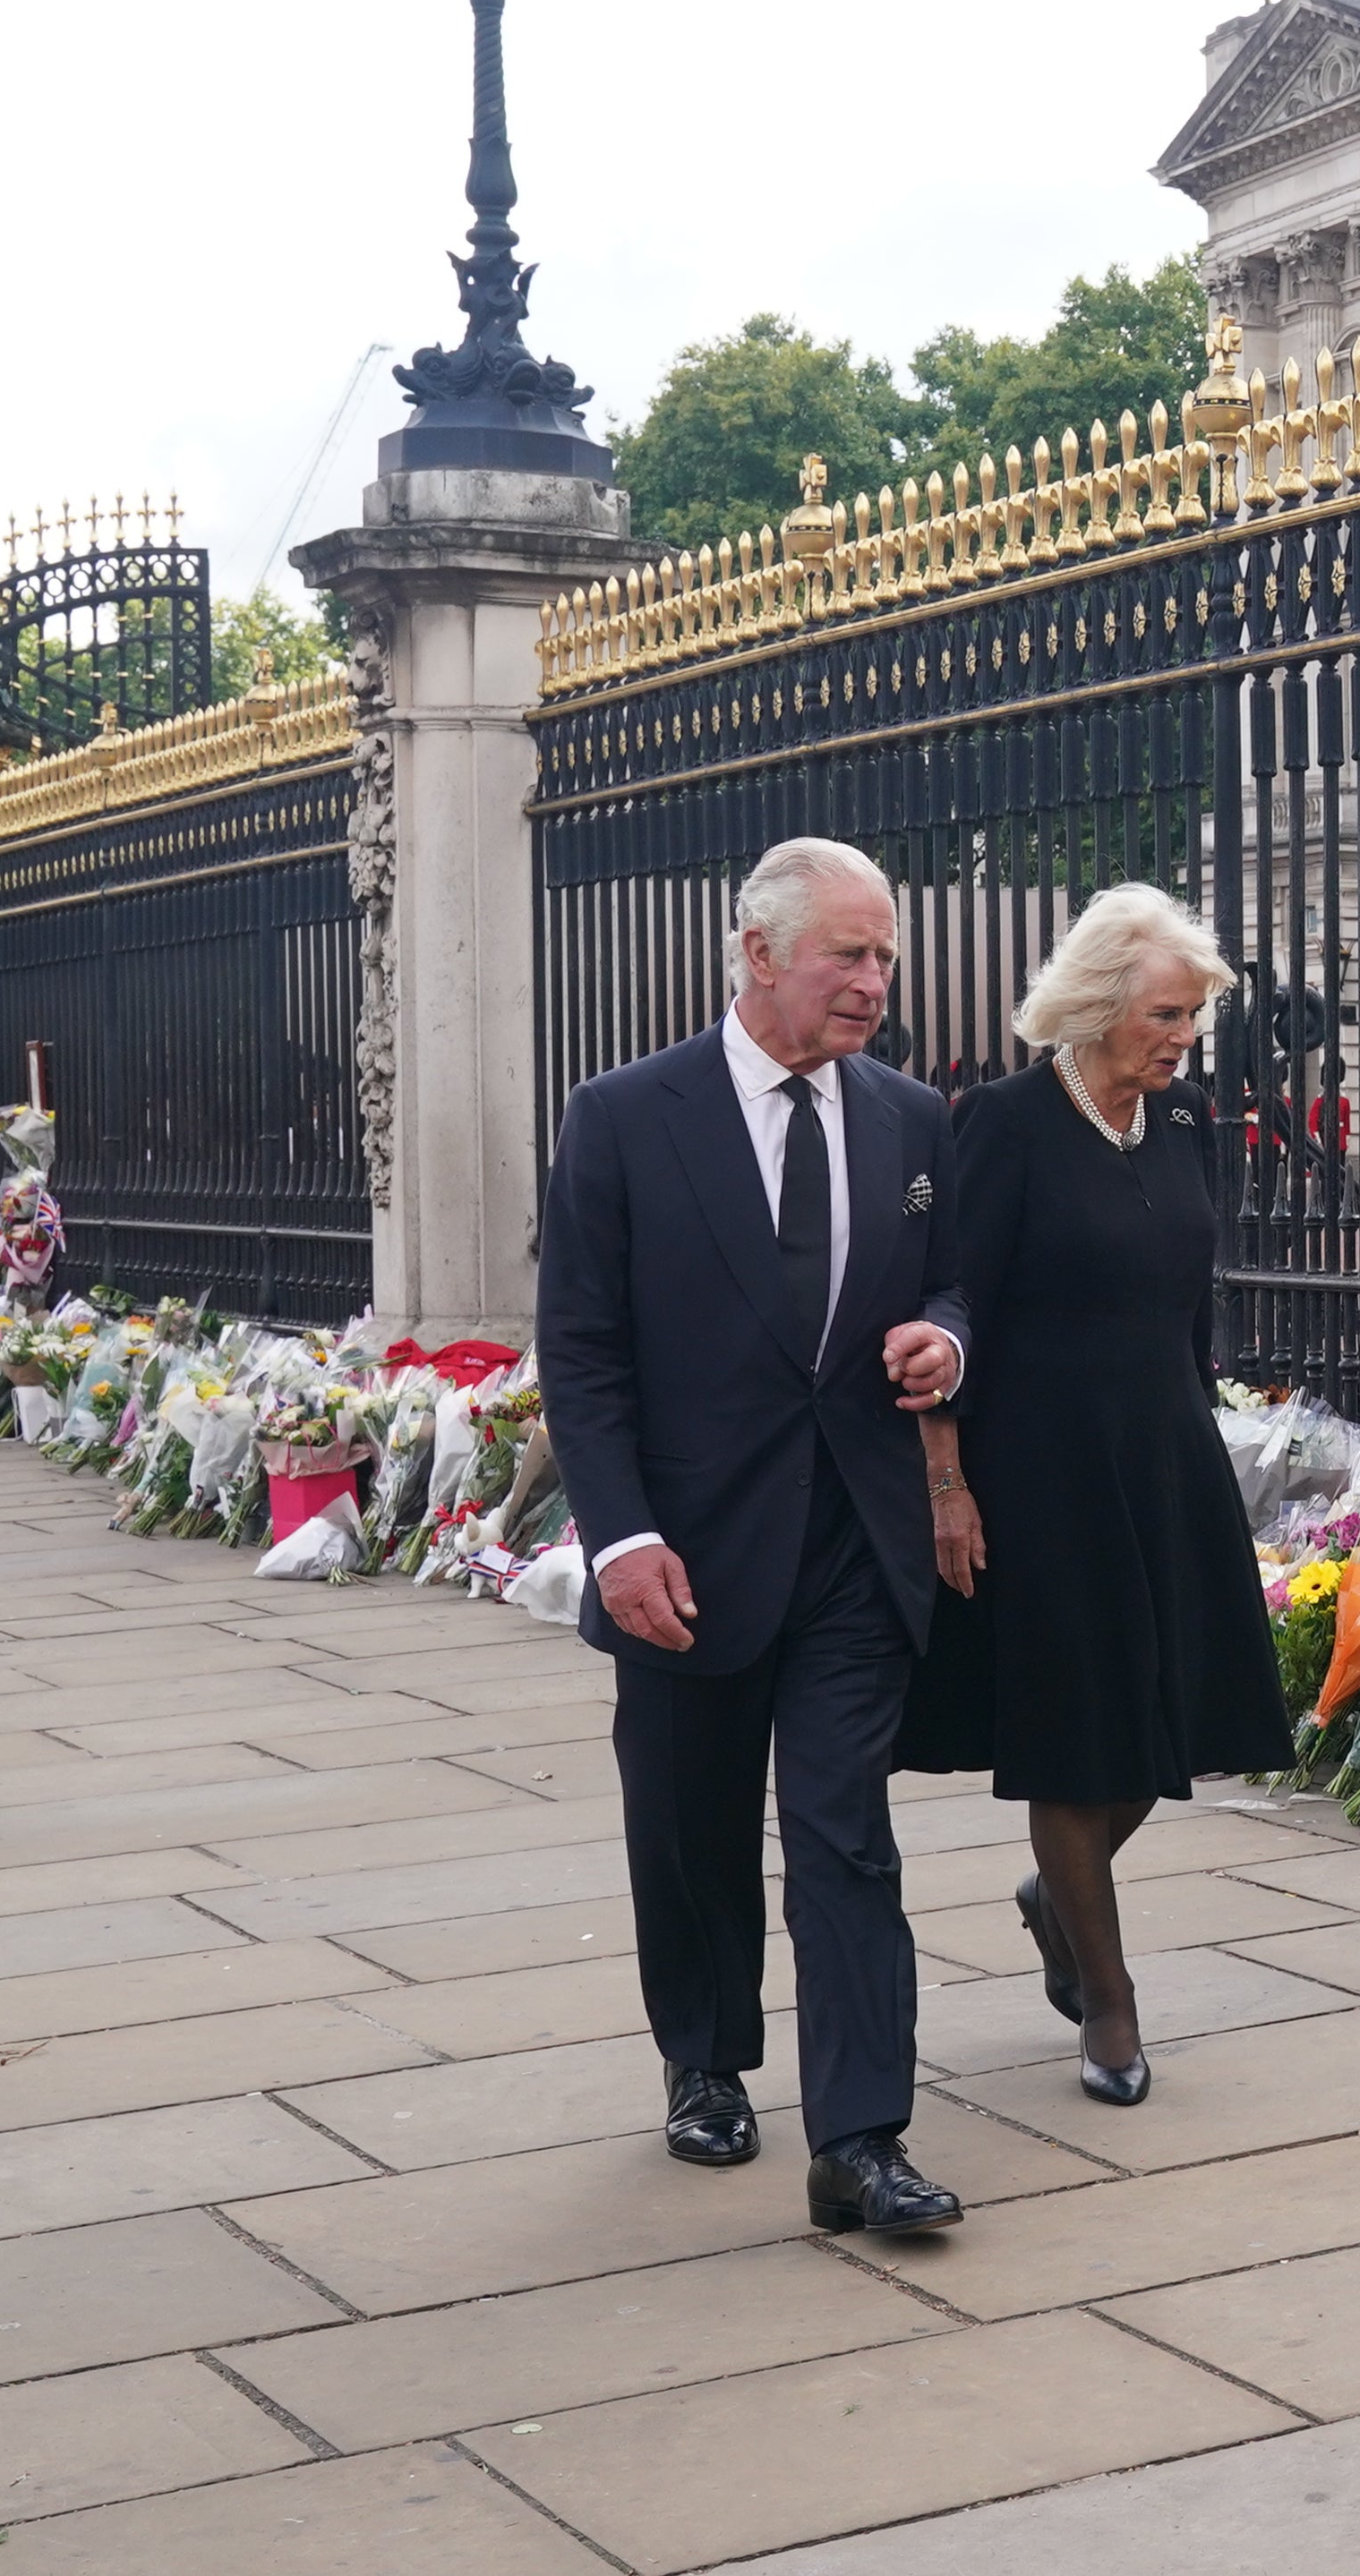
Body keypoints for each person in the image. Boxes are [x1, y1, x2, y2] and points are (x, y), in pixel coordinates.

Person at [537, 836, 974, 2237]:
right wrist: (621, 1538)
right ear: (758, 952)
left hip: (855, 1539)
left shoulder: (911, 1119)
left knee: (844, 1830)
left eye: (885, 955)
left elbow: (958, 1280)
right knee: (692, 1822)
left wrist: (945, 1342)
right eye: (848, 954)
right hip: (690, 1548)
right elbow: (584, 1353)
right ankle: (706, 2058)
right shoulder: (623, 1116)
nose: (873, 982)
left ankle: (861, 2134)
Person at [899, 885, 1291, 2103]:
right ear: (1100, 1003)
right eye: (1168, 1014)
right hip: (1040, 1473)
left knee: (1177, 1715)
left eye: (1194, 1017)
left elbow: (1190, 1305)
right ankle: (1109, 2005)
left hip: (1165, 1457)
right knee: (1078, 1741)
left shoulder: (1185, 1126)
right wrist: (947, 1484)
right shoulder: (1003, 1126)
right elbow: (951, 1306)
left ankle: (1052, 1894)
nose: (1183, 1039)